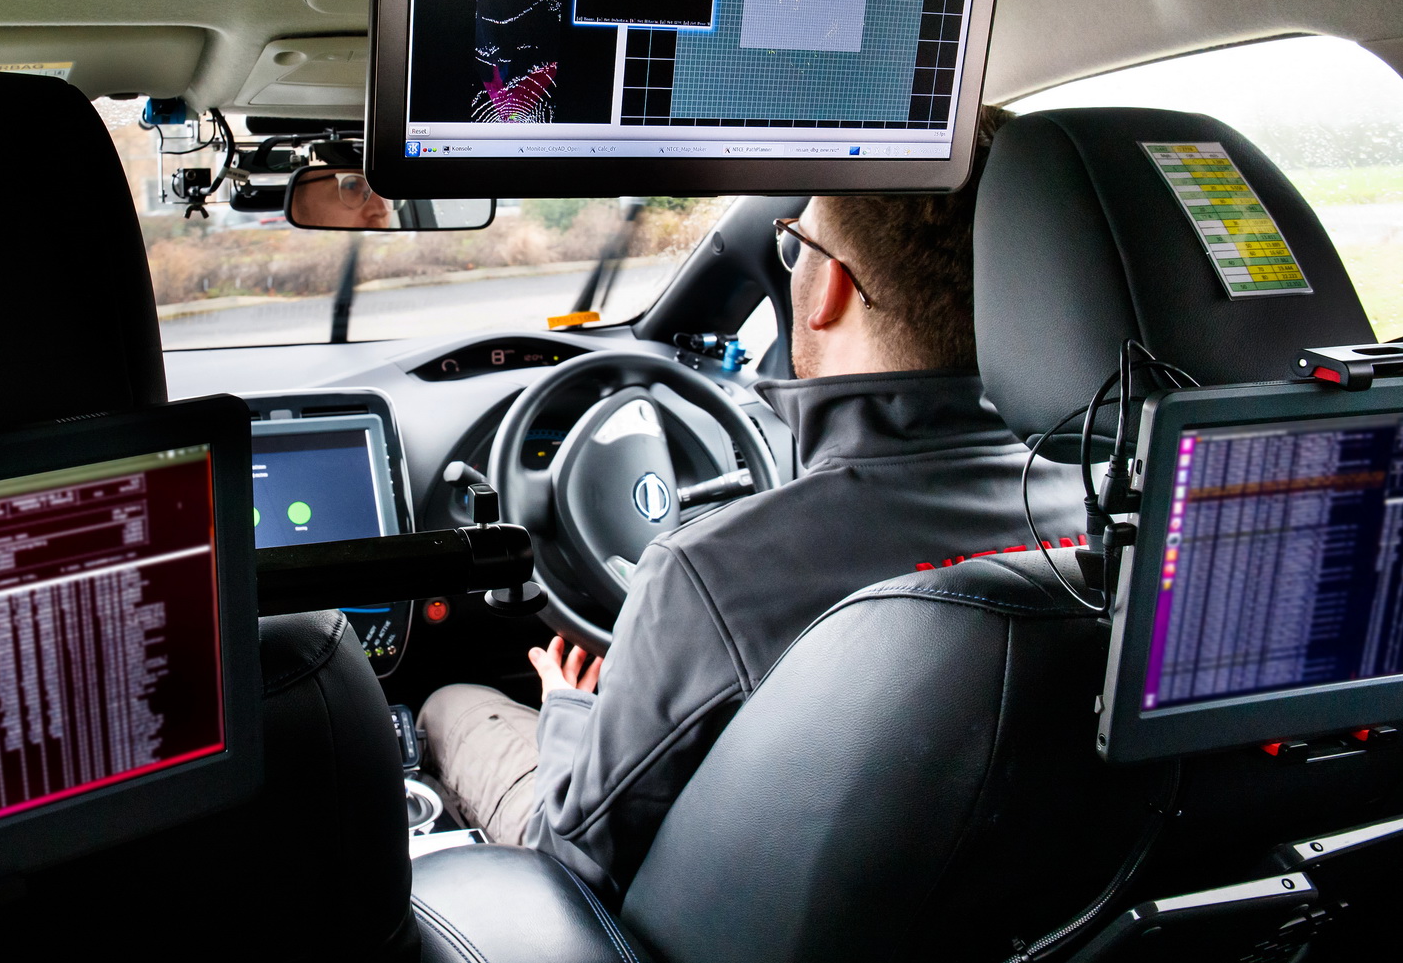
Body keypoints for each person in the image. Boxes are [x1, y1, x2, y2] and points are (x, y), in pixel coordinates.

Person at [416, 108, 1085, 897]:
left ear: (829, 285)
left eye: (795, 244)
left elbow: (572, 855)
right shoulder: (1115, 516)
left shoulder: (708, 577)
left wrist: (568, 711)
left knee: (452, 701)